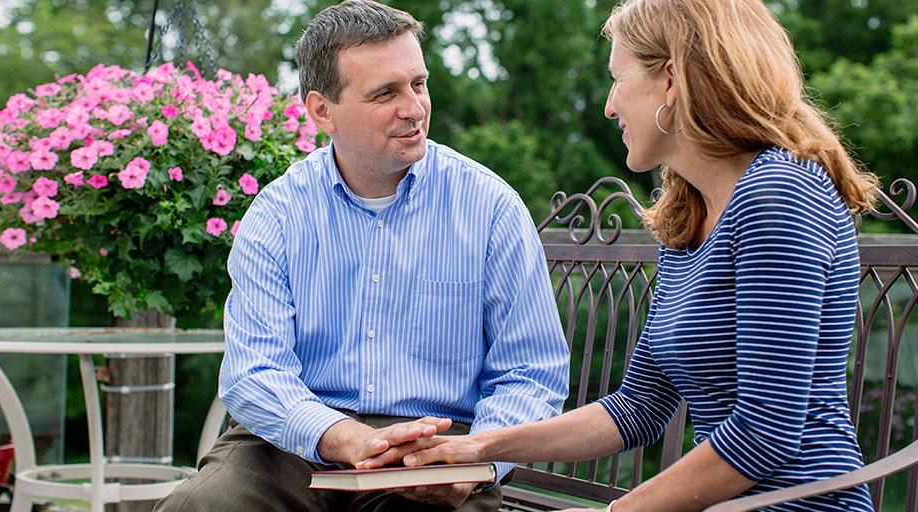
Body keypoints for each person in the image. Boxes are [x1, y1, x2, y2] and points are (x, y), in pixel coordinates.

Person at [371, 1, 881, 511]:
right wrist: (476, 447)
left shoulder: (779, 193)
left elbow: (765, 432)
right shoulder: (688, 214)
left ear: (672, 80)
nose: (609, 107)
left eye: (618, 79)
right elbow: (639, 407)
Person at [153, 1, 570, 511]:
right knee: (202, 507)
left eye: (418, 84)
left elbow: (531, 371)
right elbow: (254, 372)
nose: (414, 108)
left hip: (439, 447)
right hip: (295, 443)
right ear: (322, 110)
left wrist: (474, 458)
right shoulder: (278, 213)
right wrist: (340, 436)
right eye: (385, 93)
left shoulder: (489, 207)